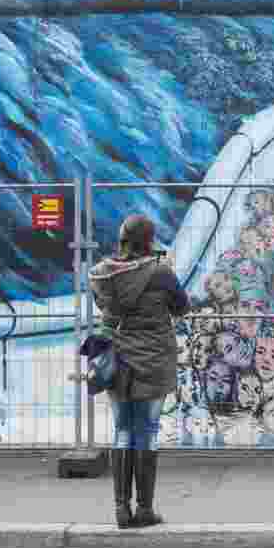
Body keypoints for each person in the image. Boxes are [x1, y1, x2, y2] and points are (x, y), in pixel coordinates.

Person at [89, 214, 189, 529]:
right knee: (147, 431)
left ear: (122, 238)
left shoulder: (103, 273)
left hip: (117, 360)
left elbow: (103, 308)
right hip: (153, 359)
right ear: (149, 240)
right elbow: (182, 307)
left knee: (122, 431)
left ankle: (121, 509)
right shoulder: (160, 272)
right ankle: (144, 509)